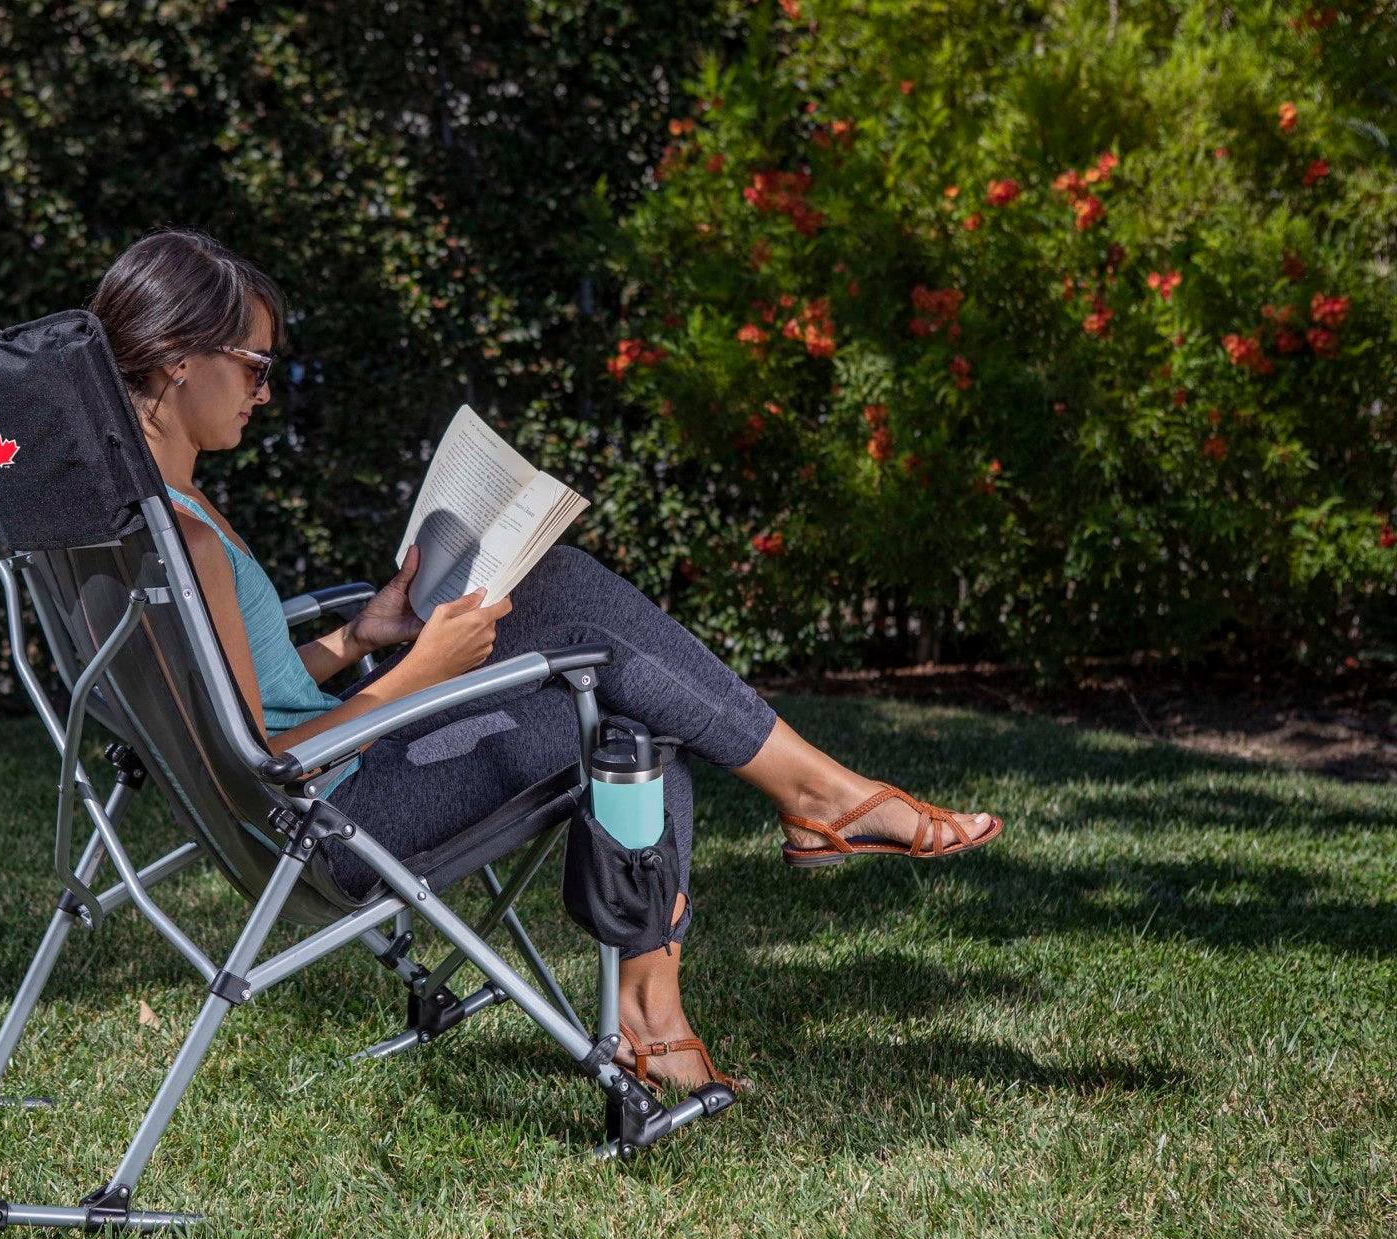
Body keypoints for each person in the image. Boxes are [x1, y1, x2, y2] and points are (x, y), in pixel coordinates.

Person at [89, 229, 1001, 1095]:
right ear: (177, 358)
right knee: (613, 681)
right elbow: (260, 762)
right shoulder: (185, 541)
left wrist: (367, 637)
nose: (265, 390)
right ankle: (776, 855)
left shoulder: (147, 522)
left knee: (612, 670)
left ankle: (706, 950)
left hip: (320, 797)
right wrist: (423, 671)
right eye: (253, 365)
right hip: (337, 822)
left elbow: (243, 696)